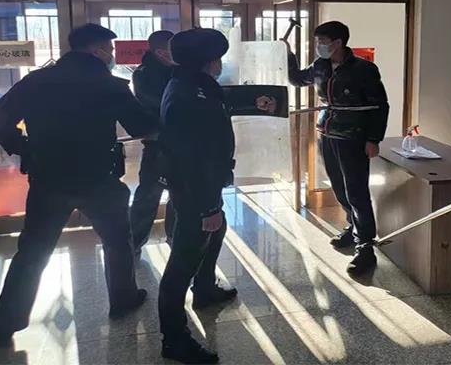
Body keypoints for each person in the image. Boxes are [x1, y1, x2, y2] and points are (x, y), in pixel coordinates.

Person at [0, 23, 157, 347]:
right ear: (96, 50)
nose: (111, 56)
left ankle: (6, 323)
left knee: (33, 251)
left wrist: (25, 147)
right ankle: (123, 299)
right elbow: (142, 126)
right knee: (117, 242)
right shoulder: (110, 85)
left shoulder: (35, 81)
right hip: (100, 178)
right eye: (109, 49)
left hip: (49, 179)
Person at [158, 28, 275, 363]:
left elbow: (217, 114)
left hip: (196, 186)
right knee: (183, 262)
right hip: (195, 191)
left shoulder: (190, 85)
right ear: (208, 60)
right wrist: (207, 207)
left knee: (216, 230)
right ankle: (174, 339)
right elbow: (196, 158)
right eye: (218, 57)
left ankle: (205, 288)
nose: (221, 63)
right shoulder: (191, 96)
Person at [286, 21, 390, 275]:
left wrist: (373, 139)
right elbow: (297, 79)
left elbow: (381, 106)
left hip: (354, 137)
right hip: (328, 134)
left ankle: (365, 246)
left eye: (322, 41)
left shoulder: (364, 69)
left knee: (356, 191)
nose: (318, 46)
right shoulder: (320, 66)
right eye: (317, 41)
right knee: (339, 188)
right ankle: (353, 227)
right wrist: (287, 54)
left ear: (338, 42)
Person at [130, 30, 176, 258]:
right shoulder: (143, 74)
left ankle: (175, 238)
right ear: (160, 52)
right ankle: (134, 242)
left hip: (180, 142)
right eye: (171, 49)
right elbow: (159, 103)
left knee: (179, 194)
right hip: (156, 143)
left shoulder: (178, 70)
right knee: (148, 195)